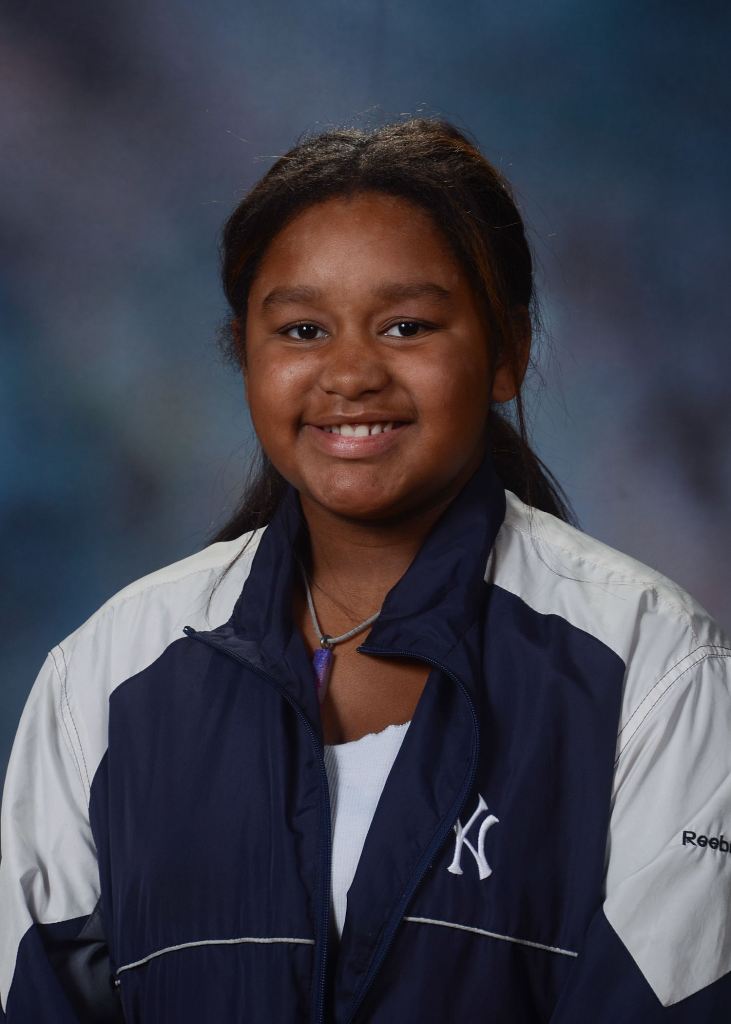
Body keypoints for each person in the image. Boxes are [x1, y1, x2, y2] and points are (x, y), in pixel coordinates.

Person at [0, 117, 729, 1023]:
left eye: (405, 326)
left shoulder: (655, 671)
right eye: (302, 329)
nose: (349, 374)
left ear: (506, 352)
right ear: (244, 354)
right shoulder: (105, 675)